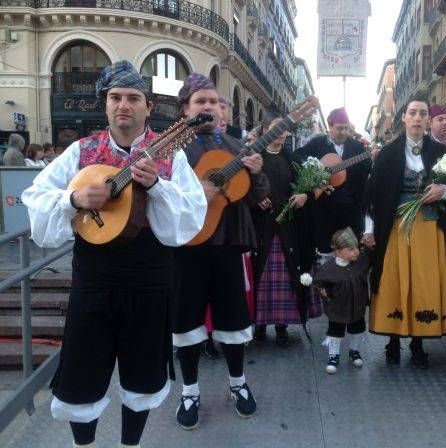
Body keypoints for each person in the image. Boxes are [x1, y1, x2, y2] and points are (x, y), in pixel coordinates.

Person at [21, 60, 208, 448]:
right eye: (115, 97)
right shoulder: (81, 150)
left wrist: (157, 187)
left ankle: (131, 445)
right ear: (105, 104)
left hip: (149, 283)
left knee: (142, 378)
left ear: (148, 107)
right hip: (94, 282)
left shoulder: (171, 156)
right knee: (80, 379)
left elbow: (192, 217)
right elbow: (36, 197)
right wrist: (73, 199)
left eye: (133, 98)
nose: (124, 104)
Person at [172, 73, 269, 429]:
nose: (208, 107)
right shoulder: (172, 150)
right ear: (185, 109)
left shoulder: (236, 146)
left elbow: (259, 197)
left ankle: (238, 384)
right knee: (186, 323)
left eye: (213, 101)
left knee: (232, 320)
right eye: (200, 101)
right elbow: (159, 195)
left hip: (228, 244)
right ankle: (190, 390)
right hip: (188, 247)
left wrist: (258, 173)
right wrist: (197, 193)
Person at [362, 95, 446, 369]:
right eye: (413, 113)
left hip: (432, 231)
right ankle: (393, 341)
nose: (419, 118)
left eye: (423, 113)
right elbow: (371, 196)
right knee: (397, 282)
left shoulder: (440, 153)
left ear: (427, 120)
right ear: (404, 117)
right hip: (398, 229)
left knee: (425, 285)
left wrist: (443, 190)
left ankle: (419, 342)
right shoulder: (387, 154)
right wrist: (369, 229)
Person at [251, 115, 321, 346]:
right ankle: (258, 326)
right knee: (259, 279)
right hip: (260, 229)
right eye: (276, 128)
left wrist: (304, 196)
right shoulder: (253, 158)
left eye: (285, 129)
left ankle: (281, 326)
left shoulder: (294, 159)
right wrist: (255, 199)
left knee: (286, 278)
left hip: (288, 228)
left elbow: (311, 189)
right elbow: (240, 188)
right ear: (264, 130)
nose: (282, 133)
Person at [296, 107, 371, 264]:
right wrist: (315, 170)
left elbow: (367, 174)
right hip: (324, 211)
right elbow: (297, 157)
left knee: (349, 255)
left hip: (349, 212)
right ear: (329, 127)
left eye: (346, 128)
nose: (343, 132)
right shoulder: (317, 144)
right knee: (325, 255)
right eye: (339, 128)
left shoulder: (358, 148)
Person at [313, 227, 370, 374]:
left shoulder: (361, 261)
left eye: (357, 247)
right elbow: (319, 281)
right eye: (351, 249)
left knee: (357, 329)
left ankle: (354, 351)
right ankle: (334, 355)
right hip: (337, 307)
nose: (356, 251)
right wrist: (323, 290)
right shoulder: (329, 268)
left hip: (357, 305)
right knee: (335, 331)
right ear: (338, 252)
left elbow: (372, 259)